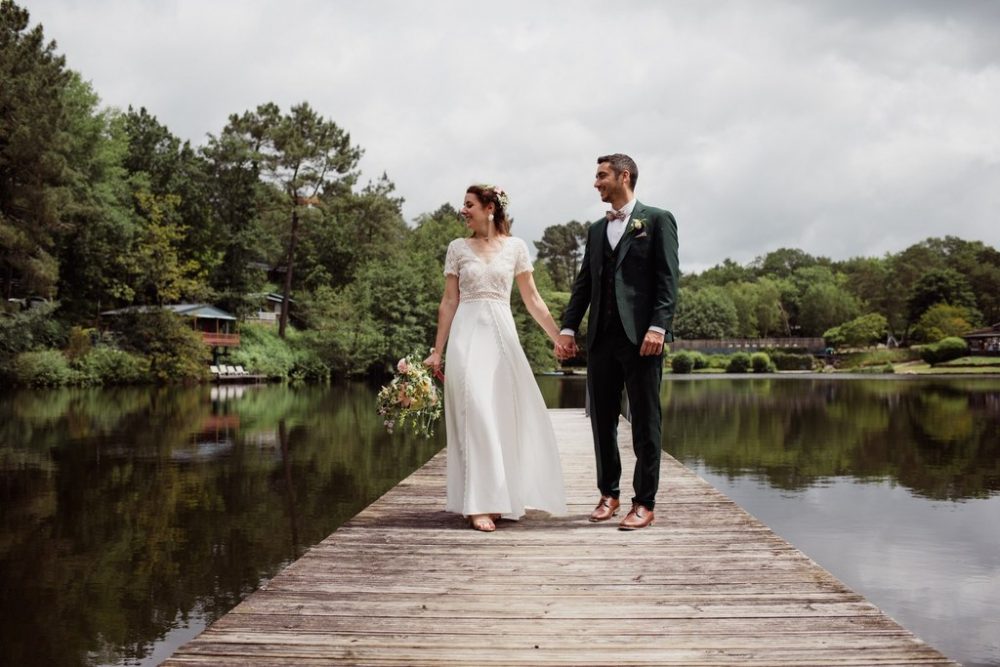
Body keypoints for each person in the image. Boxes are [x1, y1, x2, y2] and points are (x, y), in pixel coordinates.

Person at [424, 184, 568, 532]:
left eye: (469, 204)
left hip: (501, 339)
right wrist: (437, 350)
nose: (463, 210)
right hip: (466, 337)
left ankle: (500, 496)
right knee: (476, 415)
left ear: (490, 208)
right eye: (464, 204)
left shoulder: (516, 248)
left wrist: (559, 337)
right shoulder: (457, 248)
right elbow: (448, 301)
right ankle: (477, 504)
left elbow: (532, 298)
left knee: (501, 416)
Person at [556, 154, 679, 531]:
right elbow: (584, 285)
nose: (596, 183)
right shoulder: (595, 230)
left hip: (642, 340)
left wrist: (658, 327)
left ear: (624, 176)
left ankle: (644, 502)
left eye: (601, 176)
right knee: (602, 422)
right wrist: (568, 328)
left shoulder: (657, 220)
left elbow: (667, 279)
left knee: (646, 422)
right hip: (601, 340)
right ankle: (608, 494)